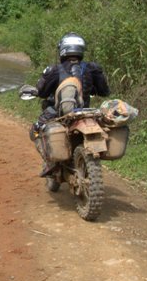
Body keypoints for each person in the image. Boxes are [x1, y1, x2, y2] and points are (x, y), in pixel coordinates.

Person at [31, 32, 110, 176]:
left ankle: (50, 161)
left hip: (60, 113)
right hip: (86, 112)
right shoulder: (93, 68)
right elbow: (104, 91)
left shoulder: (54, 70)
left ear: (63, 49)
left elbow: (42, 92)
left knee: (36, 128)